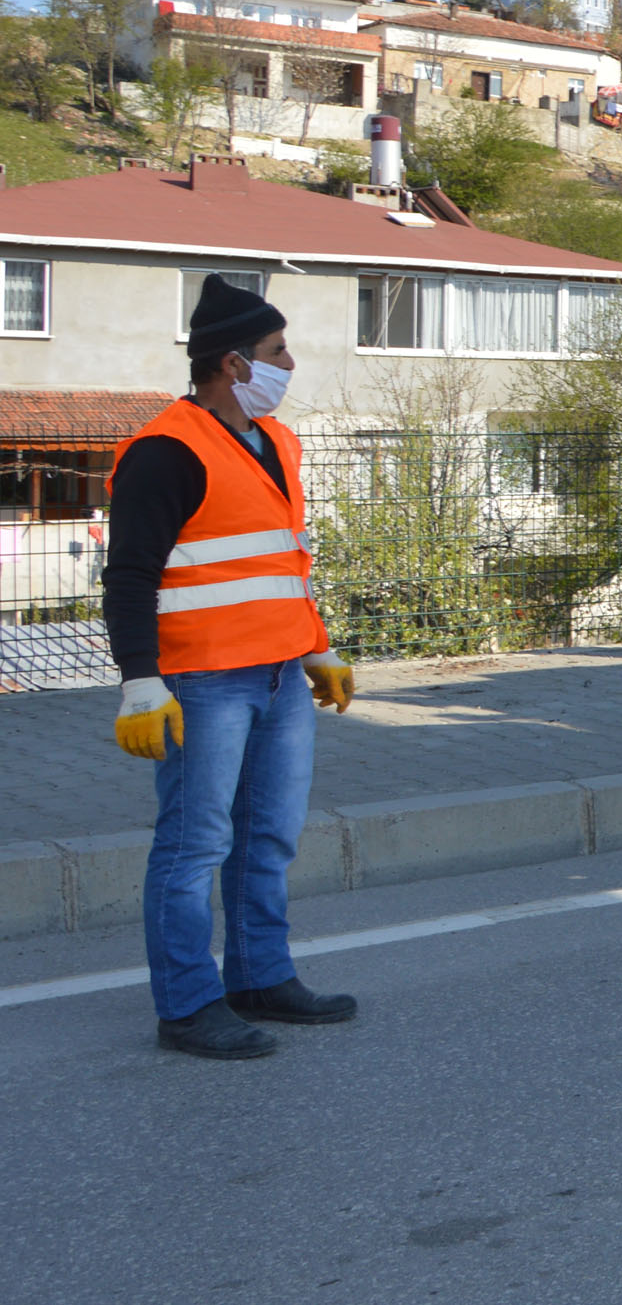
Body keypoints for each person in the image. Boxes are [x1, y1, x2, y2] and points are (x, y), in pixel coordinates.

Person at [105, 275, 358, 1060]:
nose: (291, 362)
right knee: (194, 844)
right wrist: (139, 680)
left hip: (280, 673)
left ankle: (258, 977)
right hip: (203, 679)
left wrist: (314, 647)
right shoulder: (165, 451)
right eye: (278, 350)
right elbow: (130, 575)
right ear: (233, 364)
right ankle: (186, 1006)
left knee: (269, 836)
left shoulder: (275, 442)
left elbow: (284, 563)